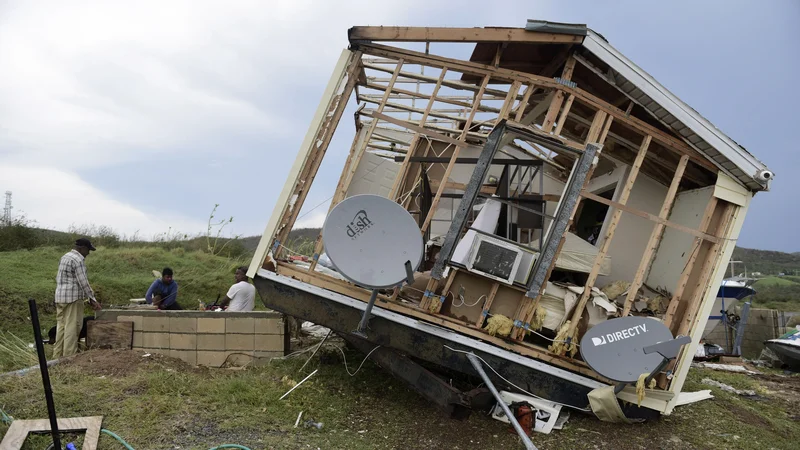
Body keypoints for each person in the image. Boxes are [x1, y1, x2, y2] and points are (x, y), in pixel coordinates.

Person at [54, 238, 102, 358]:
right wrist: (92, 298)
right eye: (88, 250)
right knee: (72, 328)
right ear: (82, 248)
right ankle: (69, 357)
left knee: (61, 327)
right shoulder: (78, 259)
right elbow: (83, 282)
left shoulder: (65, 257)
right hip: (72, 299)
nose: (88, 253)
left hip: (60, 297)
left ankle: (57, 356)